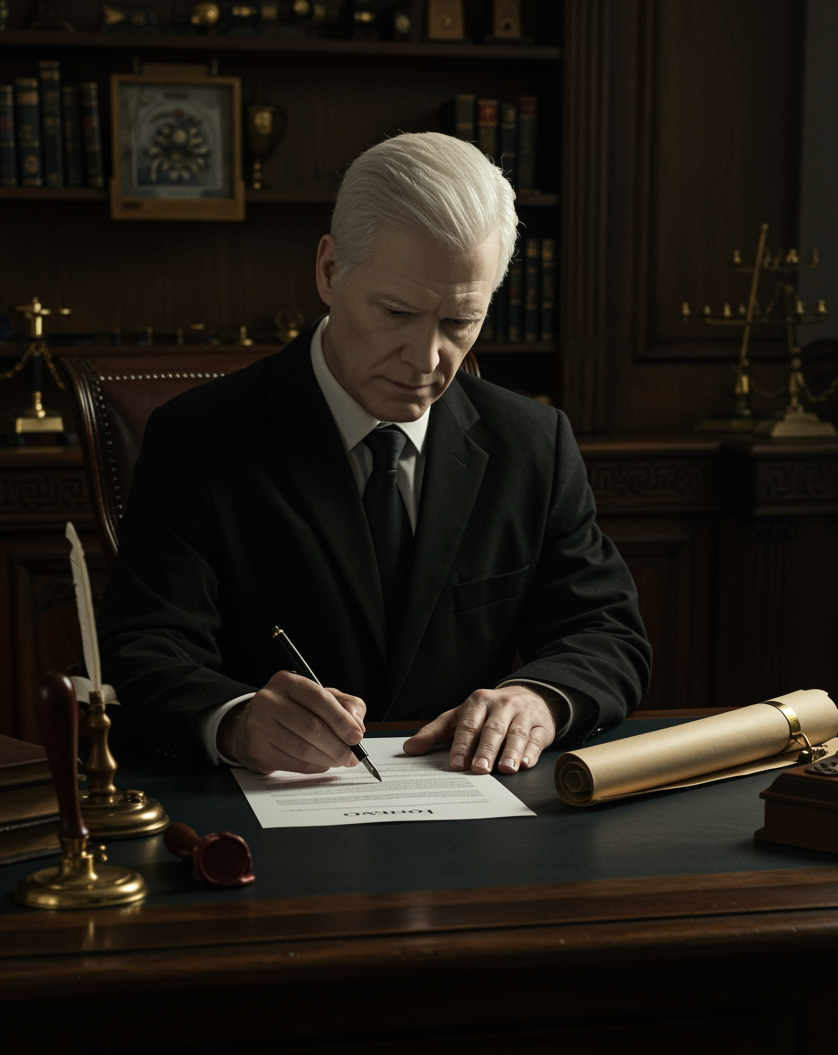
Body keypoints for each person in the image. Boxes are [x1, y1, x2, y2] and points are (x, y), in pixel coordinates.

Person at [98, 132, 651, 775]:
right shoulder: (198, 440)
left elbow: (606, 632)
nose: (427, 361)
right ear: (330, 271)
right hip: (268, 815)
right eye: (396, 312)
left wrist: (538, 699)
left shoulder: (534, 443)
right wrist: (236, 720)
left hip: (474, 814)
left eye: (459, 323)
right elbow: (143, 649)